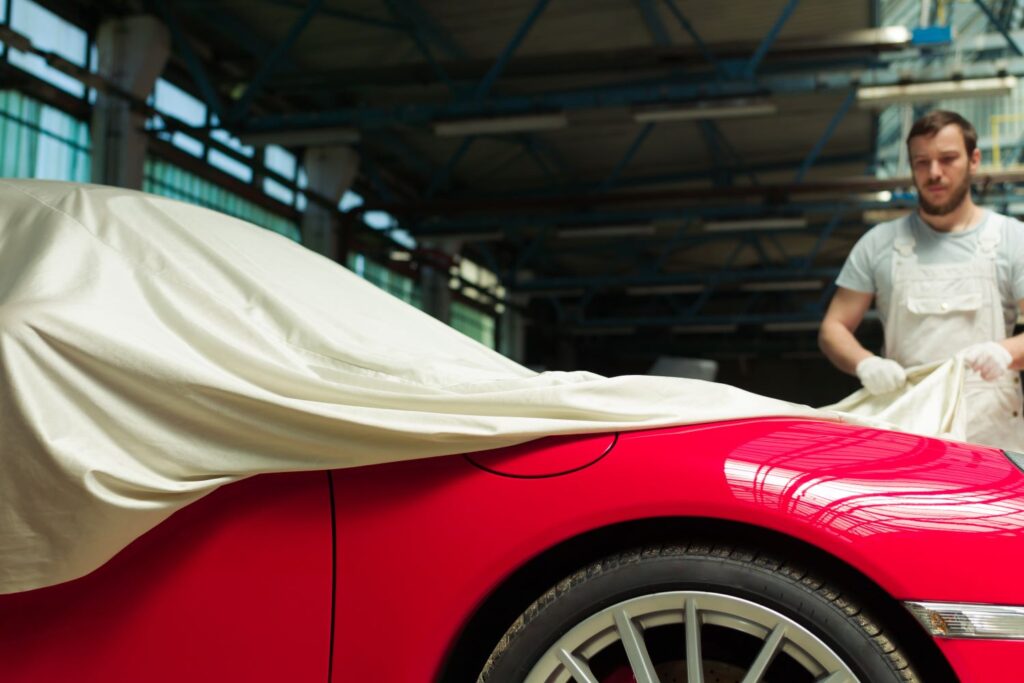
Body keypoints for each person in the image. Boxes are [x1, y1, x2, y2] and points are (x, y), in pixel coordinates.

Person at [819, 109, 1024, 450]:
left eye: (948, 159)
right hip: (908, 421)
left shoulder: (1013, 239)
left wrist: (1005, 351)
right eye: (921, 162)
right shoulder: (880, 243)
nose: (934, 173)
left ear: (973, 160)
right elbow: (833, 328)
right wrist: (865, 363)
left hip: (991, 428)